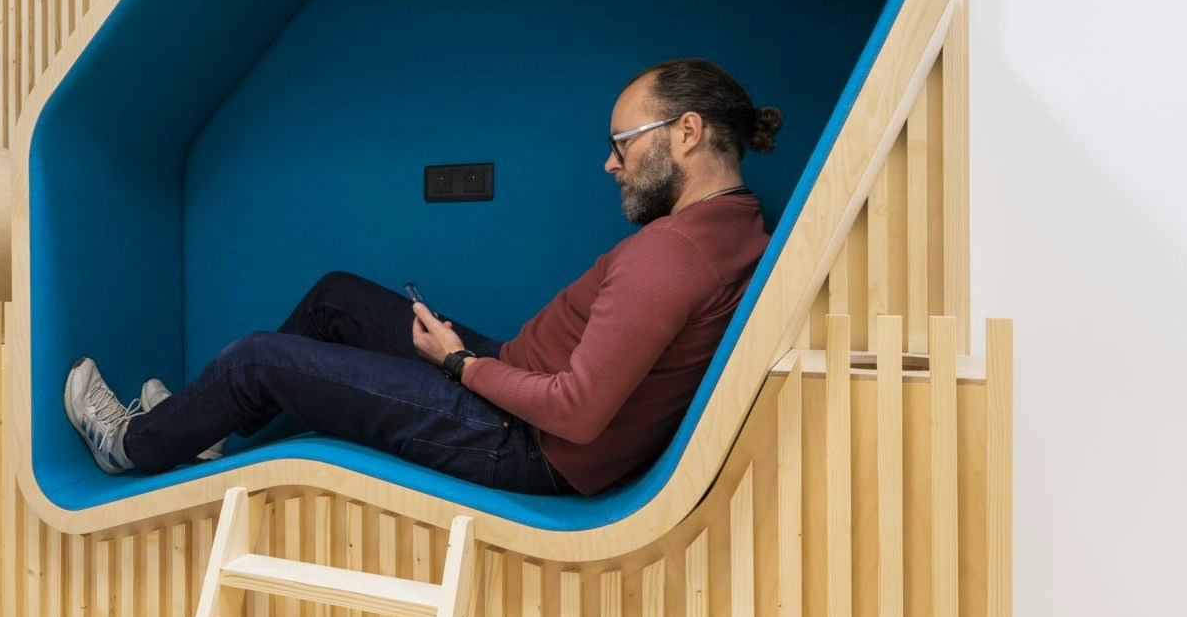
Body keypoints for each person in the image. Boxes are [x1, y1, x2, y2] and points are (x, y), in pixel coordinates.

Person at [64, 58, 783, 497]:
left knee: (259, 359)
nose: (610, 163)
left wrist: (459, 363)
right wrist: (474, 362)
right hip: (514, 384)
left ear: (687, 132)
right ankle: (201, 428)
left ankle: (132, 445)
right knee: (336, 298)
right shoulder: (736, 225)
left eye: (621, 143)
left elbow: (576, 413)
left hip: (521, 442)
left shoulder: (671, 256)